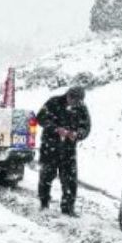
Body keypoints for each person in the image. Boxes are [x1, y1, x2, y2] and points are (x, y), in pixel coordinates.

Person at [37, 85, 91, 216]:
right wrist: (55, 129)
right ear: (68, 95)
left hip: (68, 149)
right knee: (46, 177)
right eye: (74, 99)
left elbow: (86, 127)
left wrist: (77, 134)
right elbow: (40, 118)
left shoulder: (82, 108)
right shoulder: (53, 102)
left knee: (70, 180)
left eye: (78, 101)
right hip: (50, 147)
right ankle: (44, 204)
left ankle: (68, 208)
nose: (75, 103)